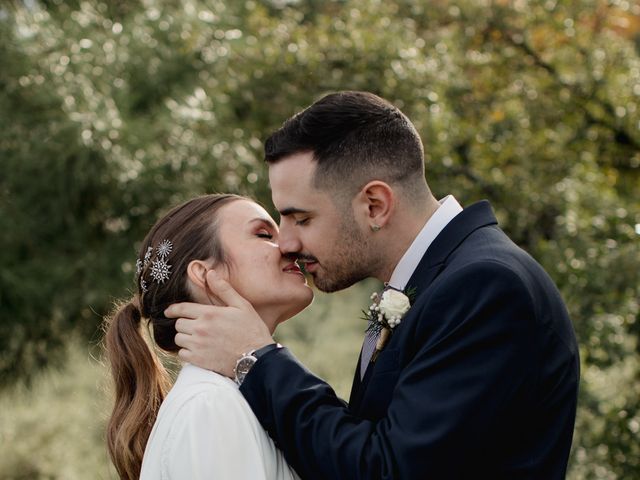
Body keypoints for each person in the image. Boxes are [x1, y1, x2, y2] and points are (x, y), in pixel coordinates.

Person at [167, 91, 580, 479]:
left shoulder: (485, 287)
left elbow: (388, 470)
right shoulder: (436, 281)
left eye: (302, 218)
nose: (287, 243)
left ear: (374, 205)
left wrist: (256, 359)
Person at [103, 193, 311, 480]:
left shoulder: (232, 399)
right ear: (204, 275)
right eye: (264, 234)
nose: (290, 246)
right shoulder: (210, 406)